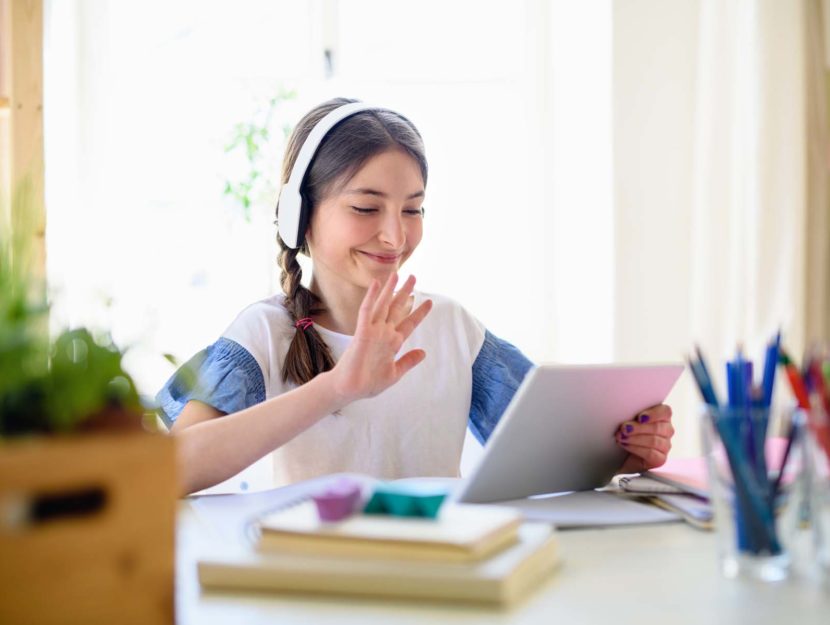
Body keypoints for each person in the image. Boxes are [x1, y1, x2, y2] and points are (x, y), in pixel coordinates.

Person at [157, 97, 674, 496]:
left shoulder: (452, 326)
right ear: (299, 215)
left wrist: (623, 452)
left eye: (413, 209)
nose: (393, 237)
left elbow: (552, 456)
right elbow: (169, 470)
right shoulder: (262, 334)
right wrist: (338, 387)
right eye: (366, 207)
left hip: (439, 580)